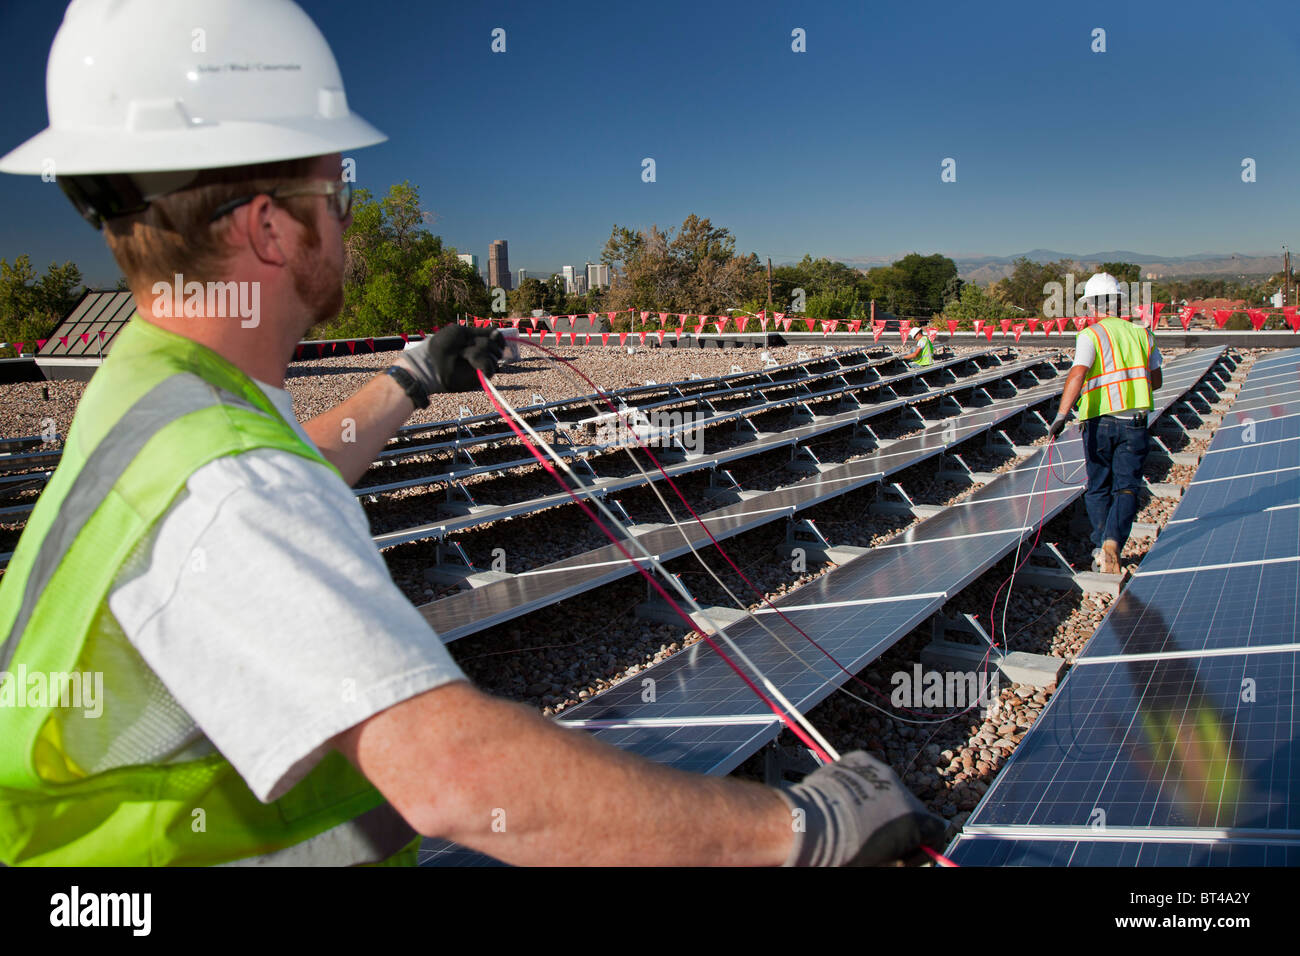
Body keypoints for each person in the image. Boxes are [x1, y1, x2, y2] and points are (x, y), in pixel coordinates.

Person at [0, 0, 944, 866]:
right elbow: (456, 778)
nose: (348, 223)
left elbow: (287, 464)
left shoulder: (151, 390)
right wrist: (803, 829)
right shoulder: (229, 485)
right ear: (269, 230)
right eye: (338, 197)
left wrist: (413, 378)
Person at [1047, 273, 1163, 574]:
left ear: (1092, 306)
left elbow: (1077, 374)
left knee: (1099, 485)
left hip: (1100, 422)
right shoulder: (1143, 334)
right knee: (1127, 487)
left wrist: (1061, 415)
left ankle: (1101, 545)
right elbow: (1157, 380)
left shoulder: (1091, 335)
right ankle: (1113, 542)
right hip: (1135, 422)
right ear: (1118, 302)